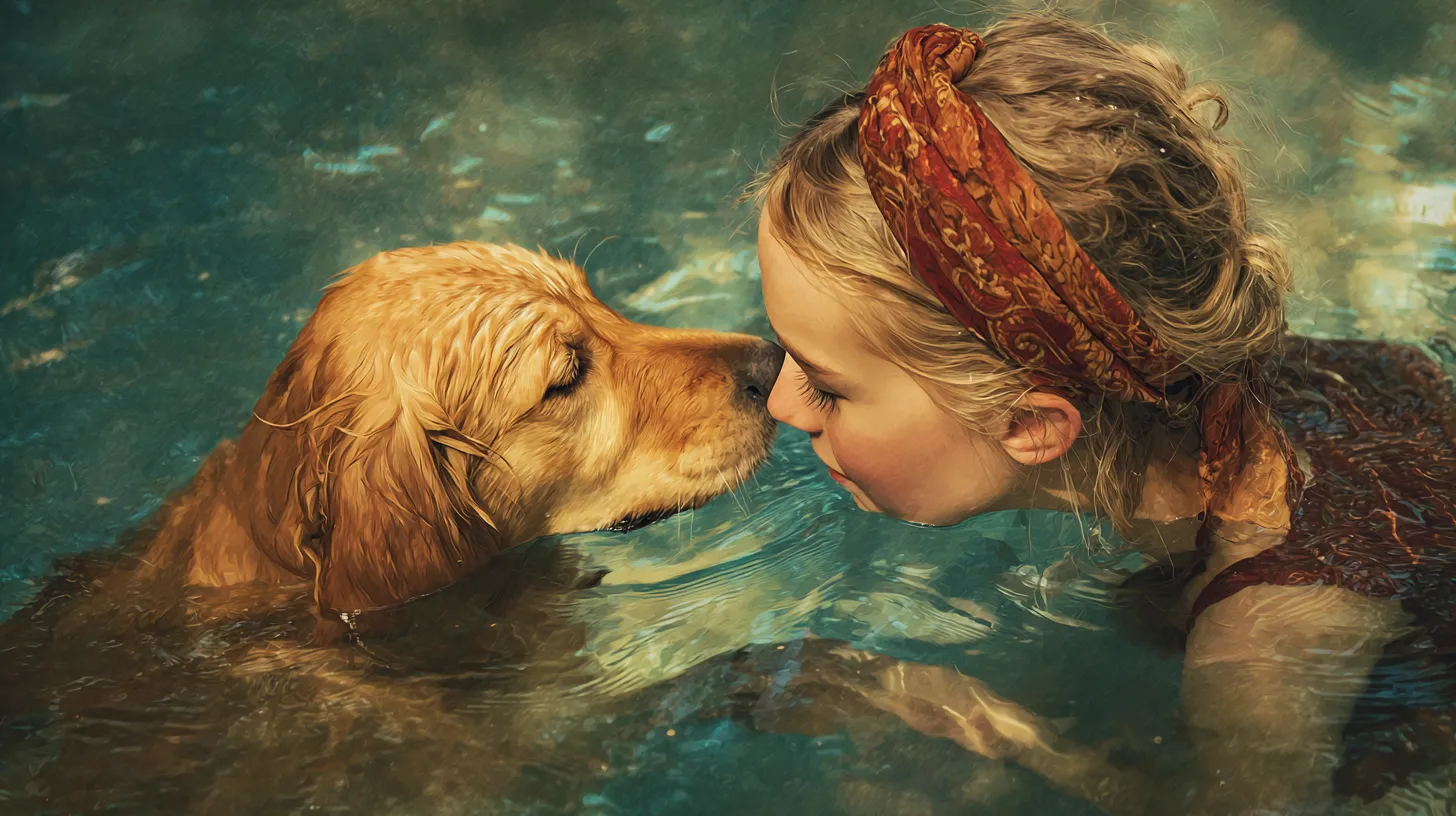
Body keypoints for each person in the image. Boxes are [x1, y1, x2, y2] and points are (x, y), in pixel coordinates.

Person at [748, 13, 1456, 815]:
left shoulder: (1261, 649)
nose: (779, 404)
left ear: (1032, 427)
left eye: (829, 386)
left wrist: (996, 727)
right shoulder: (1243, 373)